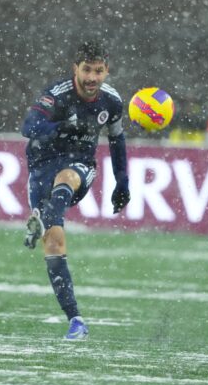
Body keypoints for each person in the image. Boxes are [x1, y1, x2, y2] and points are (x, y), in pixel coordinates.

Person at [21, 41, 130, 340]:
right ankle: (76, 320)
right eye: (86, 70)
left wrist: (123, 181)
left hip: (79, 165)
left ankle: (43, 216)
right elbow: (28, 127)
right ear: (75, 70)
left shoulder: (112, 101)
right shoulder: (56, 95)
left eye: (98, 71)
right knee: (54, 244)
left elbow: (117, 140)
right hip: (43, 165)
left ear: (106, 71)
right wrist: (60, 128)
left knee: (68, 177)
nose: (92, 78)